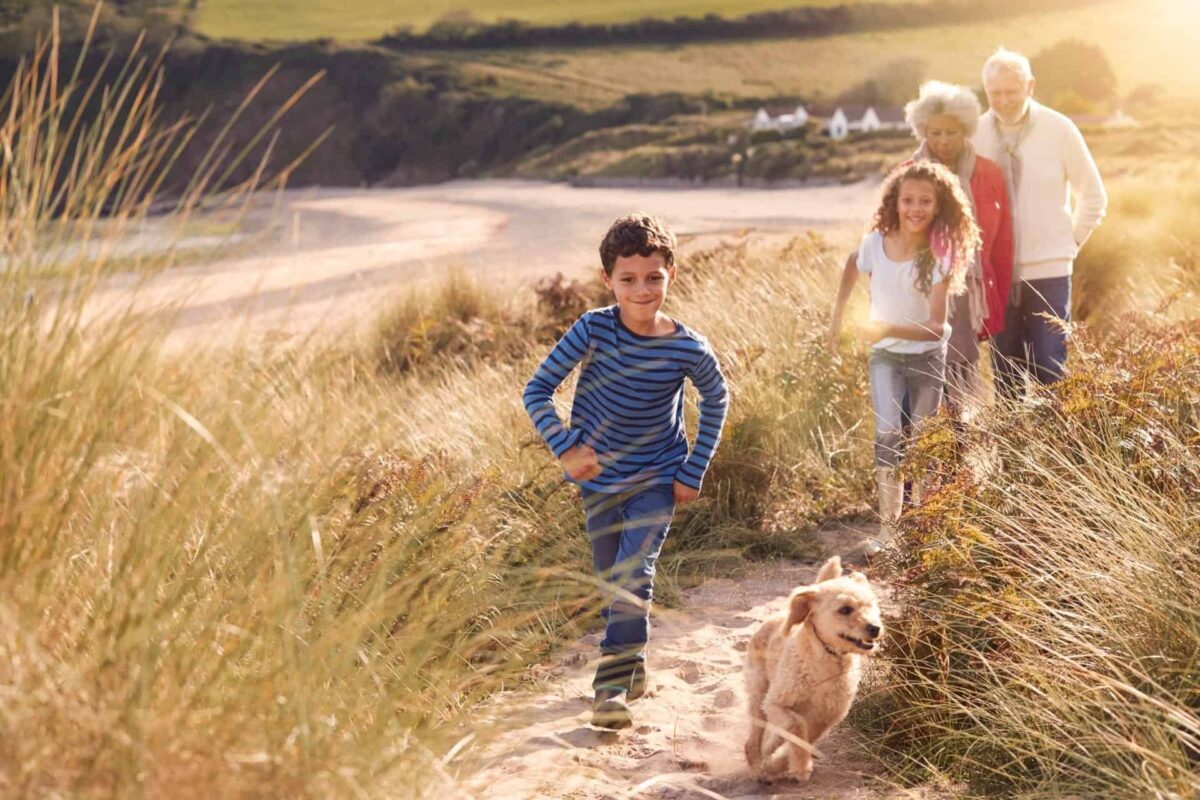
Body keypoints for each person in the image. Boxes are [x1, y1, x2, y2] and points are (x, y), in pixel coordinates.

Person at [523, 213, 729, 730]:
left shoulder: (687, 346)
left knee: (633, 576)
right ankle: (633, 665)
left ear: (672, 276)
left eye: (653, 277)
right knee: (610, 579)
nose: (642, 290)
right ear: (607, 280)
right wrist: (566, 448)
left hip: (657, 478)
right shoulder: (593, 329)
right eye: (628, 279)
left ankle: (609, 687)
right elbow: (537, 391)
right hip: (597, 482)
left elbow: (718, 397)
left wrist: (692, 470)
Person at [827, 162, 981, 556]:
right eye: (907, 200)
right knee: (888, 435)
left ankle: (923, 528)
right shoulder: (875, 243)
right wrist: (838, 317)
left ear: (939, 206)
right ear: (894, 202)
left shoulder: (939, 255)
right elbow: (851, 264)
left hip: (928, 357)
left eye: (925, 201)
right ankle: (889, 532)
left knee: (923, 442)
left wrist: (888, 328)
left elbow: (935, 327)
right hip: (885, 358)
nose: (915, 208)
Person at [972, 47, 1107, 399]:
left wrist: (1069, 244)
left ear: (1030, 85)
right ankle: (1016, 454)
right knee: (1006, 375)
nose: (1003, 100)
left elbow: (1093, 195)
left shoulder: (1059, 128)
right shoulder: (975, 134)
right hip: (997, 277)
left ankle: (1057, 449)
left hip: (1050, 273)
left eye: (1011, 92)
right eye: (994, 93)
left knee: (1051, 368)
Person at [903, 80, 1013, 418]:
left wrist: (995, 302)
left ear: (965, 129)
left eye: (951, 132)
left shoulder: (988, 174)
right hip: (917, 297)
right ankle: (916, 460)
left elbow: (1002, 246)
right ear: (923, 130)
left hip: (968, 298)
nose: (943, 141)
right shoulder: (907, 175)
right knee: (919, 383)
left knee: (961, 388)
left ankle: (961, 460)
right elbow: (890, 239)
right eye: (934, 132)